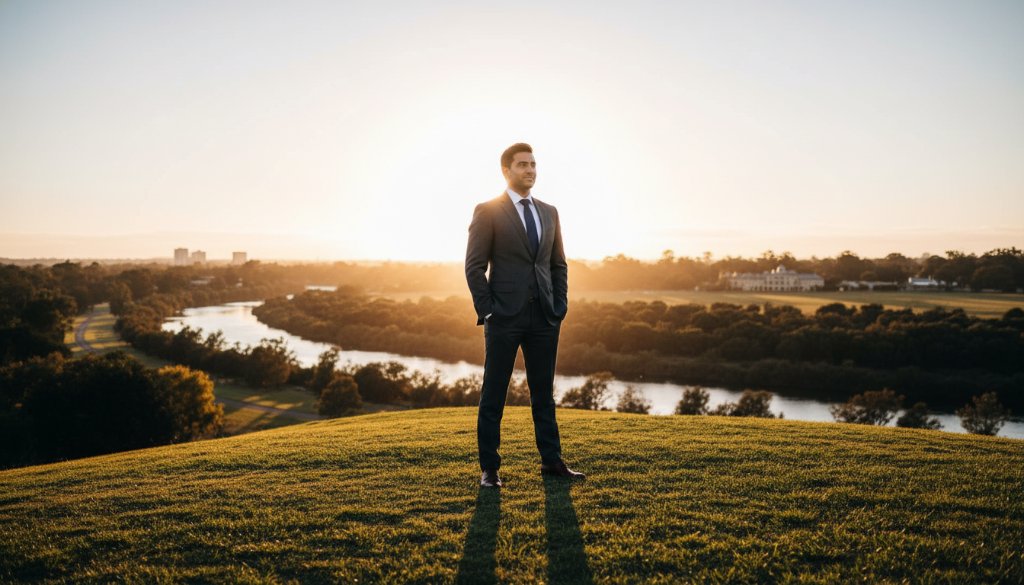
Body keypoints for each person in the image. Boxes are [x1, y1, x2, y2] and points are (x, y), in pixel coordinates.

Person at [465, 142, 585, 488]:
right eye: (522, 165)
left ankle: (552, 462)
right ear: (507, 171)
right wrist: (488, 311)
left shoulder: (549, 212)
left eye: (533, 164)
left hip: (545, 317)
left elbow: (557, 264)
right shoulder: (487, 211)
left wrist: (559, 305)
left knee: (543, 394)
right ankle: (490, 469)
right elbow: (474, 267)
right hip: (504, 317)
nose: (530, 170)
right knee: (494, 393)